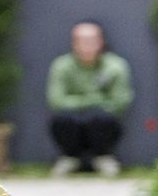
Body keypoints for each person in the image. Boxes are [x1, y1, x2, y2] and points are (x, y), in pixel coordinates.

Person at [46, 20, 133, 177]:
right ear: (74, 43)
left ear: (101, 42)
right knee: (63, 119)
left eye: (92, 40)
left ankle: (103, 157)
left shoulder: (116, 66)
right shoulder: (61, 65)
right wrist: (96, 100)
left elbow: (120, 102)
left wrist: (80, 103)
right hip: (71, 122)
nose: (87, 45)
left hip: (103, 124)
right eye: (82, 40)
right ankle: (70, 158)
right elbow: (56, 101)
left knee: (102, 119)